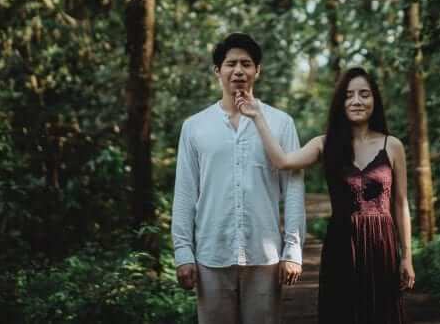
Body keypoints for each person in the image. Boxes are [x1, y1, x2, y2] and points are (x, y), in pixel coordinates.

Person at [236, 66, 414, 324]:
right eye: (349, 95)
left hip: (382, 246)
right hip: (341, 245)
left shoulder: (393, 145)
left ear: (374, 100)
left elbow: (400, 204)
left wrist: (406, 257)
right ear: (340, 102)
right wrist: (257, 117)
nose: (356, 101)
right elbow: (283, 161)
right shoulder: (324, 143)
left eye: (364, 94)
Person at [171, 32, 305, 324]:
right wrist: (183, 252)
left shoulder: (281, 123)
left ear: (258, 70)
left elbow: (293, 189)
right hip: (211, 254)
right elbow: (185, 192)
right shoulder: (195, 127)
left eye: (246, 63)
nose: (239, 71)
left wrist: (293, 250)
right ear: (217, 70)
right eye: (231, 63)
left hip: (264, 256)